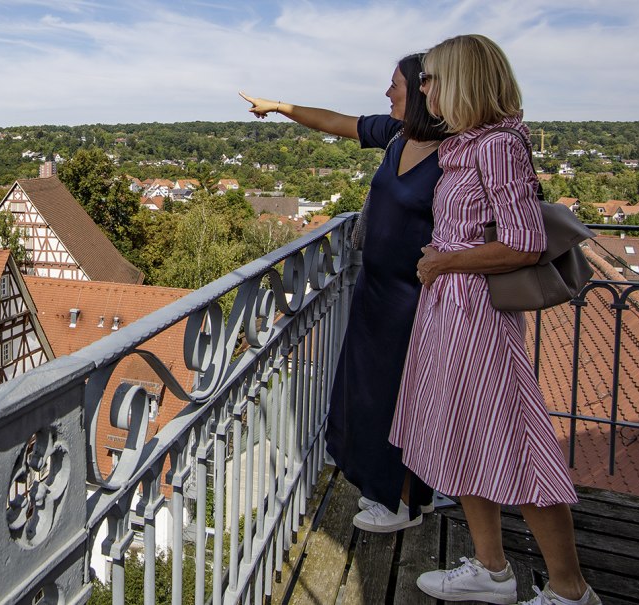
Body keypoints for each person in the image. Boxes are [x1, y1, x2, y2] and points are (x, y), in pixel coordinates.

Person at [395, 34, 600, 605]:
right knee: (464, 439)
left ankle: (570, 591)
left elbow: (526, 242)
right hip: (452, 312)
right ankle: (491, 570)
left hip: (479, 315)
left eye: (433, 78)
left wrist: (446, 260)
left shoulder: (498, 146)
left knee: (514, 442)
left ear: (462, 80)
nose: (425, 89)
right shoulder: (470, 144)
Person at [240, 52, 450, 534]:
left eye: (395, 83)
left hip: (417, 296)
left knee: (399, 397)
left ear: (421, 90)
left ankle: (401, 501)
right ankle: (411, 493)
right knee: (377, 392)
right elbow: (336, 122)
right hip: (377, 289)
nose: (387, 91)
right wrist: (278, 106)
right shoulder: (398, 135)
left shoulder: (455, 152)